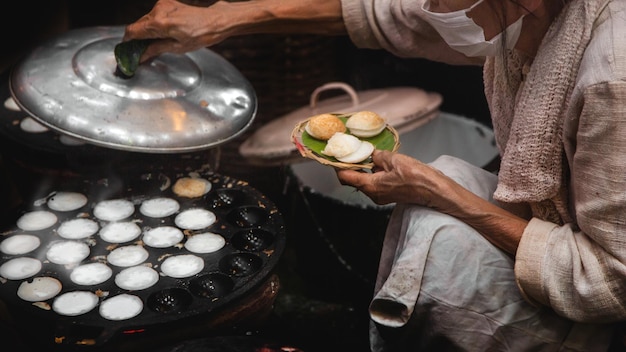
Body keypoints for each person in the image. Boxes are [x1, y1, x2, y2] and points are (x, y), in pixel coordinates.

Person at [123, 0, 626, 350]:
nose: (426, 6)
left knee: (441, 228)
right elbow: (383, 13)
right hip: (559, 236)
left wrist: (441, 192)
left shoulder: (611, 76)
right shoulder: (523, 13)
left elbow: (610, 282)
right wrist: (223, 18)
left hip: (598, 321)